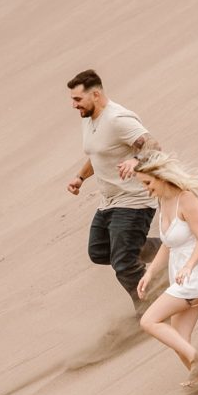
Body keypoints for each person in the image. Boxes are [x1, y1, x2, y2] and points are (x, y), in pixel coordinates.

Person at [66, 69, 162, 313]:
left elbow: (153, 144)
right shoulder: (89, 120)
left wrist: (136, 160)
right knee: (99, 251)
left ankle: (150, 305)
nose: (73, 105)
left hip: (133, 201)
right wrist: (80, 177)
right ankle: (166, 248)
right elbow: (97, 153)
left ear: (95, 94)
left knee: (124, 262)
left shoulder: (118, 119)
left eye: (77, 99)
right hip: (109, 202)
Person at [134, 151, 198, 380]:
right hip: (181, 274)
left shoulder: (186, 199)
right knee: (178, 338)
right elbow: (168, 244)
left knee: (149, 321)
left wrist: (188, 267)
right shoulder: (163, 201)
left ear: (160, 176)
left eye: (147, 183)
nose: (146, 189)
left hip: (196, 273)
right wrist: (149, 273)